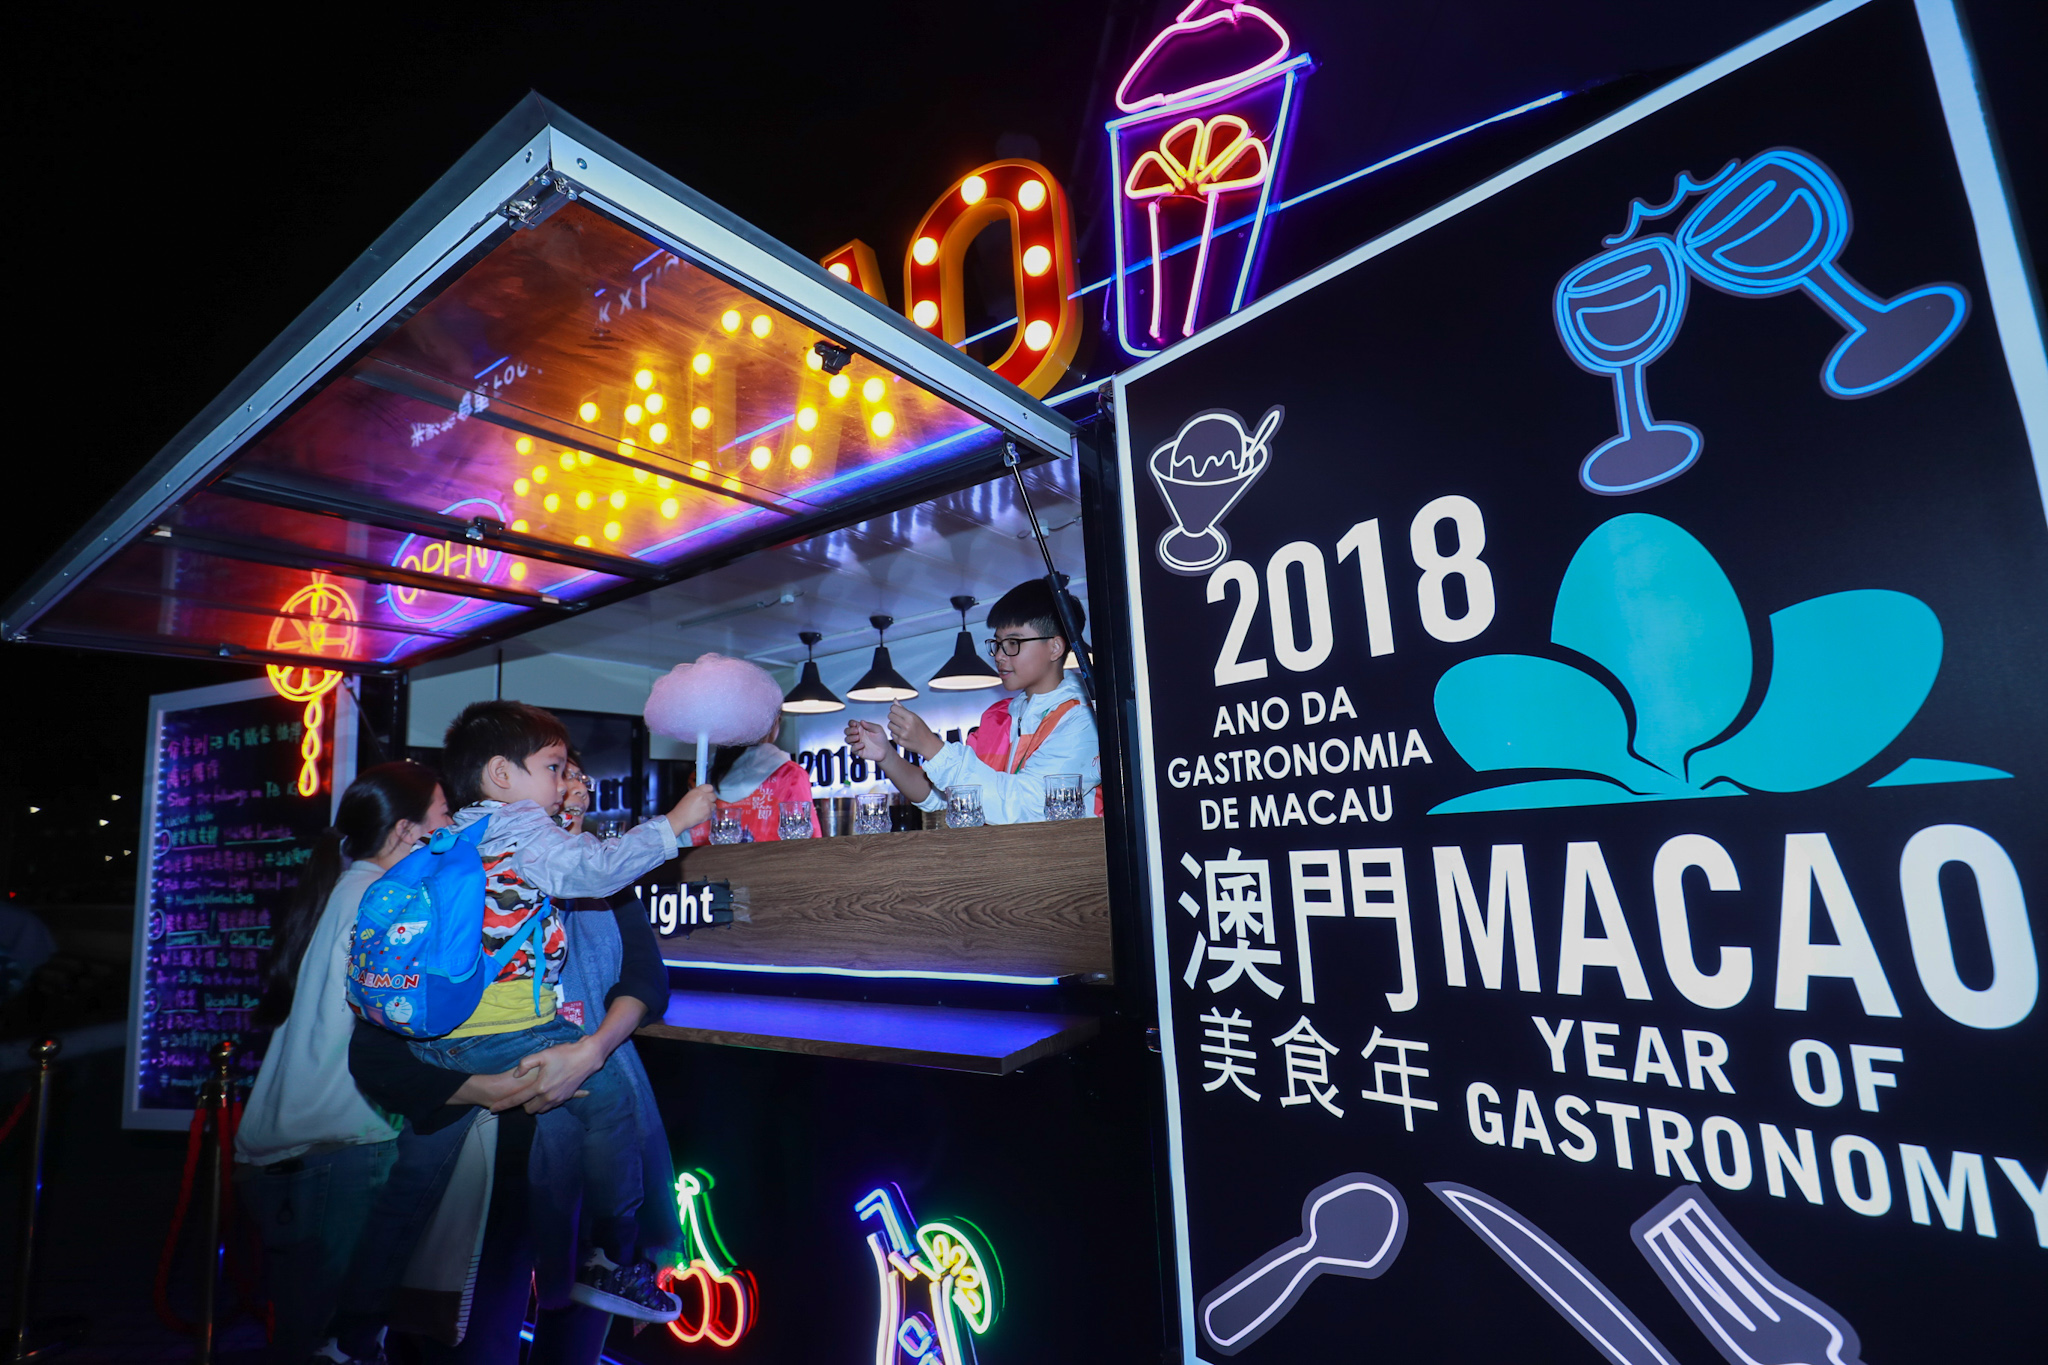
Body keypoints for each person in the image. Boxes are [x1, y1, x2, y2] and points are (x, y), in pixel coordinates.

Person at [327, 700, 715, 1357]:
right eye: (557, 770)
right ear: (503, 776)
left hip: (444, 1039)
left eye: (575, 777)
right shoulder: (529, 834)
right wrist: (674, 824)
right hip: (506, 1059)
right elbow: (596, 866)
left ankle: (351, 1332)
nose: (569, 788)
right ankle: (606, 1255)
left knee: (406, 1198)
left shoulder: (458, 837)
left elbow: (644, 979)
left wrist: (586, 1050)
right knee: (610, 1107)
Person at [234, 761, 449, 1364]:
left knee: (309, 1334)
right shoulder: (383, 904)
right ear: (407, 831)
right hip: (340, 1150)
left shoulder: (342, 888)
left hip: (298, 1151)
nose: (453, 827)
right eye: (444, 815)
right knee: (334, 1343)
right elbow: (405, 1020)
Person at [847, 579, 1099, 823]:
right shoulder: (998, 716)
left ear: (1055, 647)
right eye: (997, 644)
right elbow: (942, 797)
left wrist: (930, 746)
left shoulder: (1084, 718)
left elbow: (1026, 806)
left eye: (1013, 643)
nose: (999, 656)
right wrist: (886, 756)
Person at [685, 714, 820, 844]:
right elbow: (809, 841)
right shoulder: (790, 774)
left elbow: (684, 838)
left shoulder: (699, 779)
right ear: (774, 722)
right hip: (774, 860)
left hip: (706, 859)